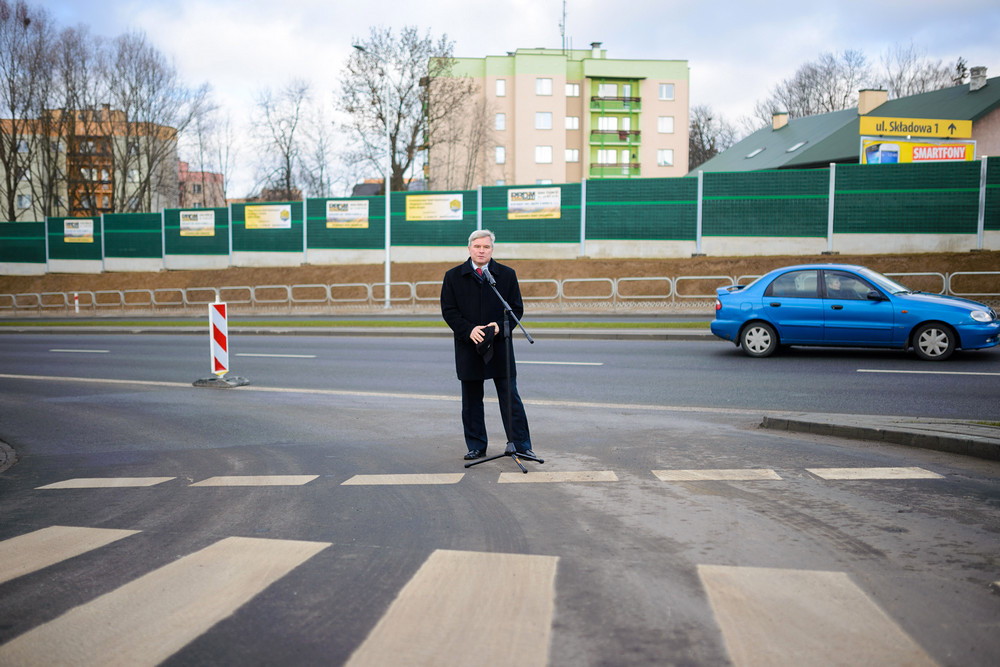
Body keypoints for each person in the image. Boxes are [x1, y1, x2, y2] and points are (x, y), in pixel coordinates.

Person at [441, 229, 535, 461]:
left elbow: (516, 308)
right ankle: (476, 446)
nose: (481, 251)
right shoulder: (453, 276)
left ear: (492, 249)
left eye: (486, 247)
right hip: (469, 345)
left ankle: (521, 445)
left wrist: (499, 328)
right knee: (472, 400)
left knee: (510, 397)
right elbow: (449, 311)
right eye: (477, 247)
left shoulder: (506, 274)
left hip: (500, 346)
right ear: (469, 248)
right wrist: (468, 329)